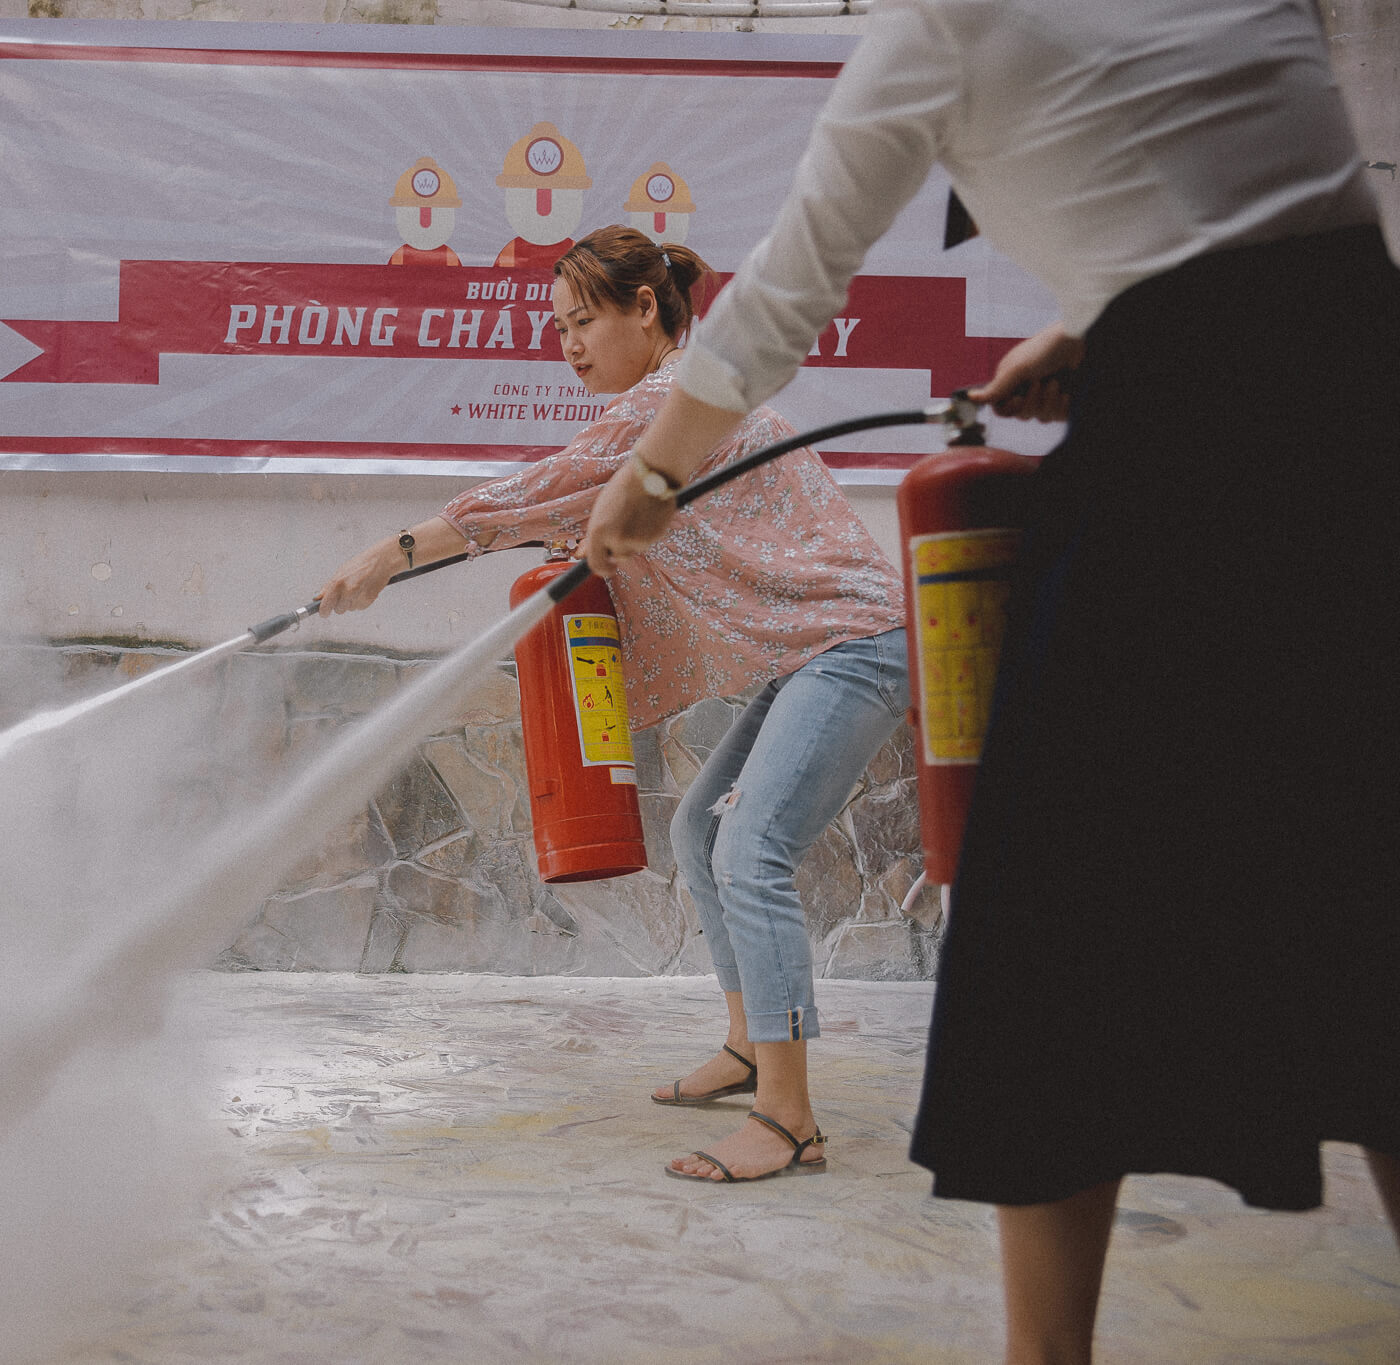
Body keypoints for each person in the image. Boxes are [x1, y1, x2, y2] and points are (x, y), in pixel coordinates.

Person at [579, 1, 1400, 1360]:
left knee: (1045, 938)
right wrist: (1098, 327)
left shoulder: (950, 20)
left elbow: (786, 289)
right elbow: (1244, 215)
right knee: (1368, 897)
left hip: (1187, 472)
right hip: (1367, 426)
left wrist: (655, 470)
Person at [319, 225, 911, 1184]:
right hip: (812, 649)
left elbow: (539, 491)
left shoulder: (670, 402)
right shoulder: (658, 410)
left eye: (584, 321)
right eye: (558, 329)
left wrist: (392, 554)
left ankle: (789, 1117)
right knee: (697, 832)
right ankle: (749, 1042)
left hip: (854, 643)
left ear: (646, 309)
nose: (569, 345)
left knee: (749, 848)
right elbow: (581, 509)